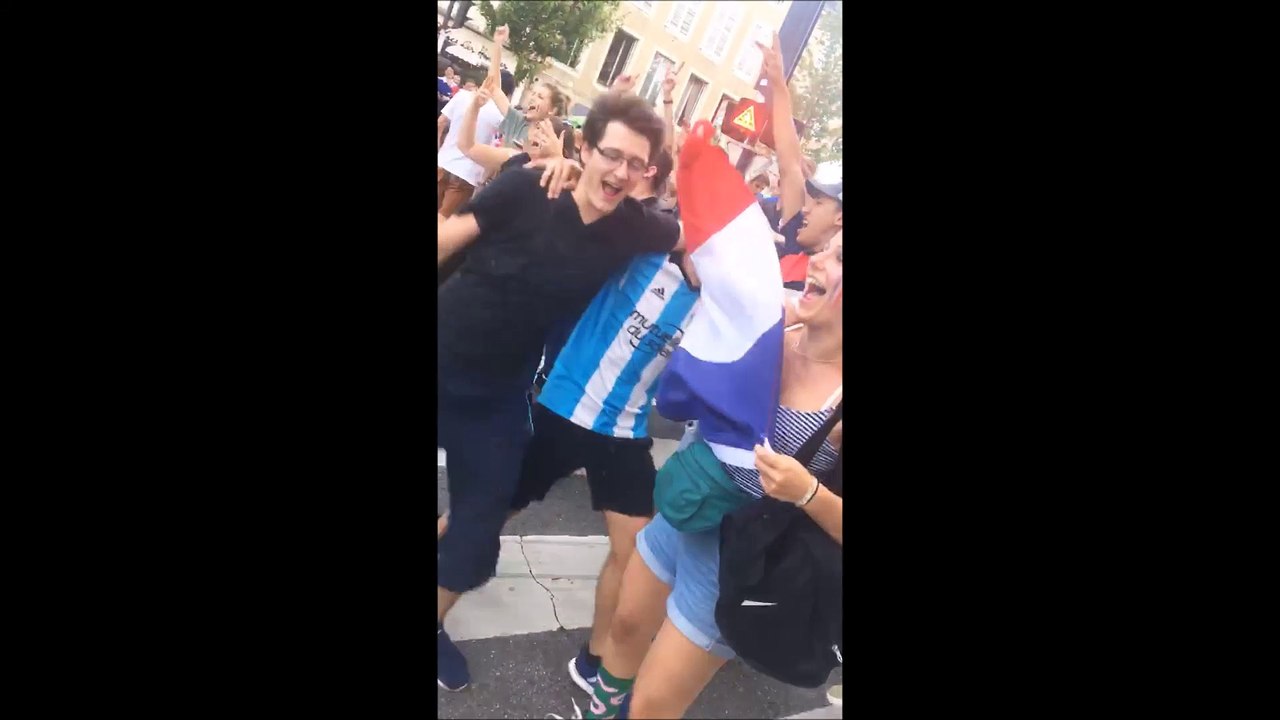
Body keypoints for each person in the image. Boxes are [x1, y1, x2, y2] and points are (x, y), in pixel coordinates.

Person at [436, 91, 678, 694]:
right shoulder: (527, 187)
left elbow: (697, 230)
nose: (621, 172)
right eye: (611, 155)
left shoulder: (634, 229)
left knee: (480, 519)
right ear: (584, 148)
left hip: (496, 393)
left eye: (637, 164)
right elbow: (448, 240)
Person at [575, 229, 844, 719]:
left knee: (651, 707)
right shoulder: (771, 322)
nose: (816, 259)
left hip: (734, 563)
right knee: (624, 629)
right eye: (824, 246)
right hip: (680, 512)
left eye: (838, 256)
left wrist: (807, 492)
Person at [436, 70, 516, 217]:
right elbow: (502, 148)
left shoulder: (462, 95)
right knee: (444, 224)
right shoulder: (501, 115)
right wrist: (486, 177)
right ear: (507, 93)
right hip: (468, 174)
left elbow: (440, 123)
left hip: (442, 163)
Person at [484, 24, 568, 151]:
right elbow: (494, 87)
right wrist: (497, 44)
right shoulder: (518, 121)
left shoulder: (550, 142)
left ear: (552, 110)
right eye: (533, 94)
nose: (532, 98)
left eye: (540, 97)